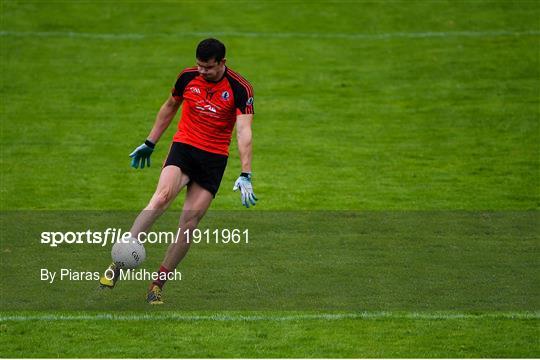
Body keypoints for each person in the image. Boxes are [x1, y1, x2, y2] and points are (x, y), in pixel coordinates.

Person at [99, 38, 257, 304]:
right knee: (160, 198)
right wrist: (150, 142)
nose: (202, 72)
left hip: (213, 159)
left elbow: (244, 130)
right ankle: (118, 262)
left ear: (222, 63)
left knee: (189, 224)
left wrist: (245, 173)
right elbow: (170, 107)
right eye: (199, 66)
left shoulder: (241, 88)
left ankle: (157, 285)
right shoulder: (187, 77)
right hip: (184, 147)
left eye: (208, 67)